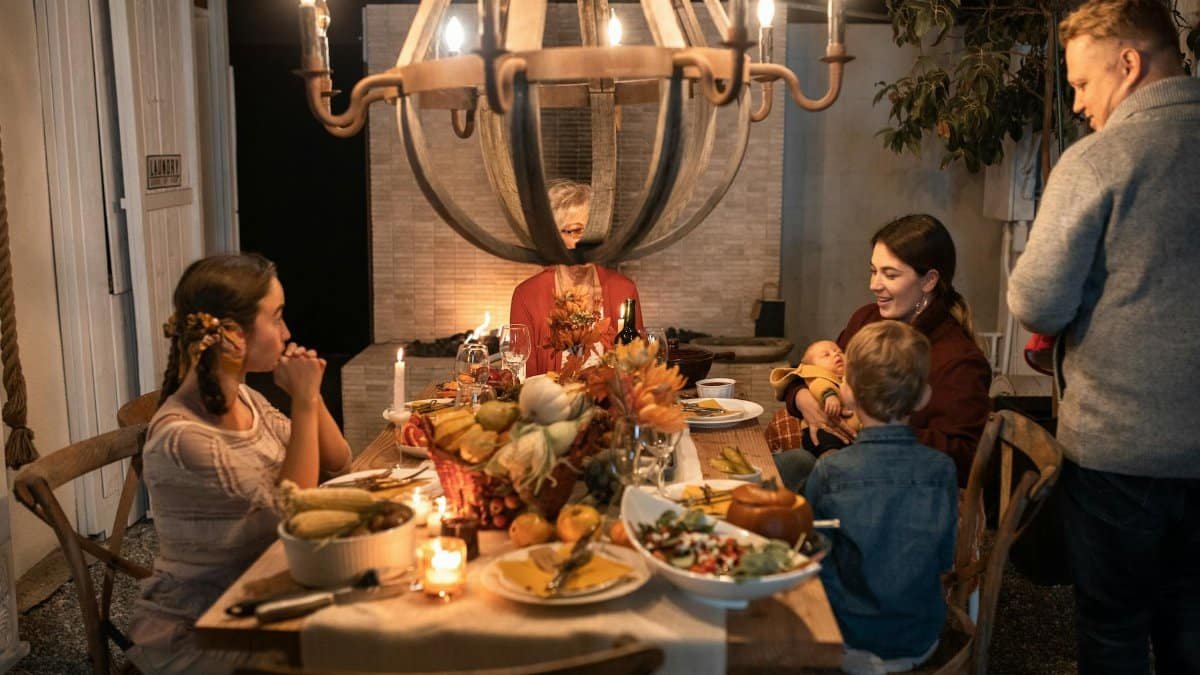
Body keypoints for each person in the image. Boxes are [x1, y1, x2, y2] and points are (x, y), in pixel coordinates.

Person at [1007, 2, 1200, 671]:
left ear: (1129, 63)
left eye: (1084, 84)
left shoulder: (1102, 159)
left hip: (1122, 451)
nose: (1080, 103)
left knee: (1113, 629)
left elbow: (1036, 297)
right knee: (1193, 629)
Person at [128, 254, 352, 673]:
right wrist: (302, 402)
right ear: (232, 334)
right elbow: (294, 516)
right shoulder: (183, 437)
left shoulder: (249, 400)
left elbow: (339, 461)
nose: (287, 333)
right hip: (206, 630)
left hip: (271, 594)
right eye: (277, 317)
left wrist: (313, 394)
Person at [772, 214, 991, 490]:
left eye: (890, 274)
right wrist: (801, 397)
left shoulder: (959, 360)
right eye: (873, 271)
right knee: (782, 468)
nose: (874, 285)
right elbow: (817, 368)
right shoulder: (867, 320)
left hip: (892, 489)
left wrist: (874, 427)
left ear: (929, 280)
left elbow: (965, 459)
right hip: (839, 463)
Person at [805, 320, 957, 671]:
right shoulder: (943, 469)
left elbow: (811, 557)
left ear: (847, 391)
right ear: (923, 396)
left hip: (847, 638)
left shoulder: (830, 471)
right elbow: (945, 558)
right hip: (921, 638)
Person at [509, 179, 643, 376]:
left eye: (592, 231)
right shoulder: (526, 296)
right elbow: (521, 380)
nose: (586, 241)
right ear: (553, 237)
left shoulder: (624, 289)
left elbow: (639, 371)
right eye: (575, 231)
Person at [767, 339, 860, 456]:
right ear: (813, 367)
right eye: (826, 355)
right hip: (823, 428)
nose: (836, 354)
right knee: (824, 439)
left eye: (840, 351)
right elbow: (820, 386)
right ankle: (828, 455)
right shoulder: (820, 377)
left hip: (854, 432)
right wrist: (830, 396)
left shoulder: (850, 376)